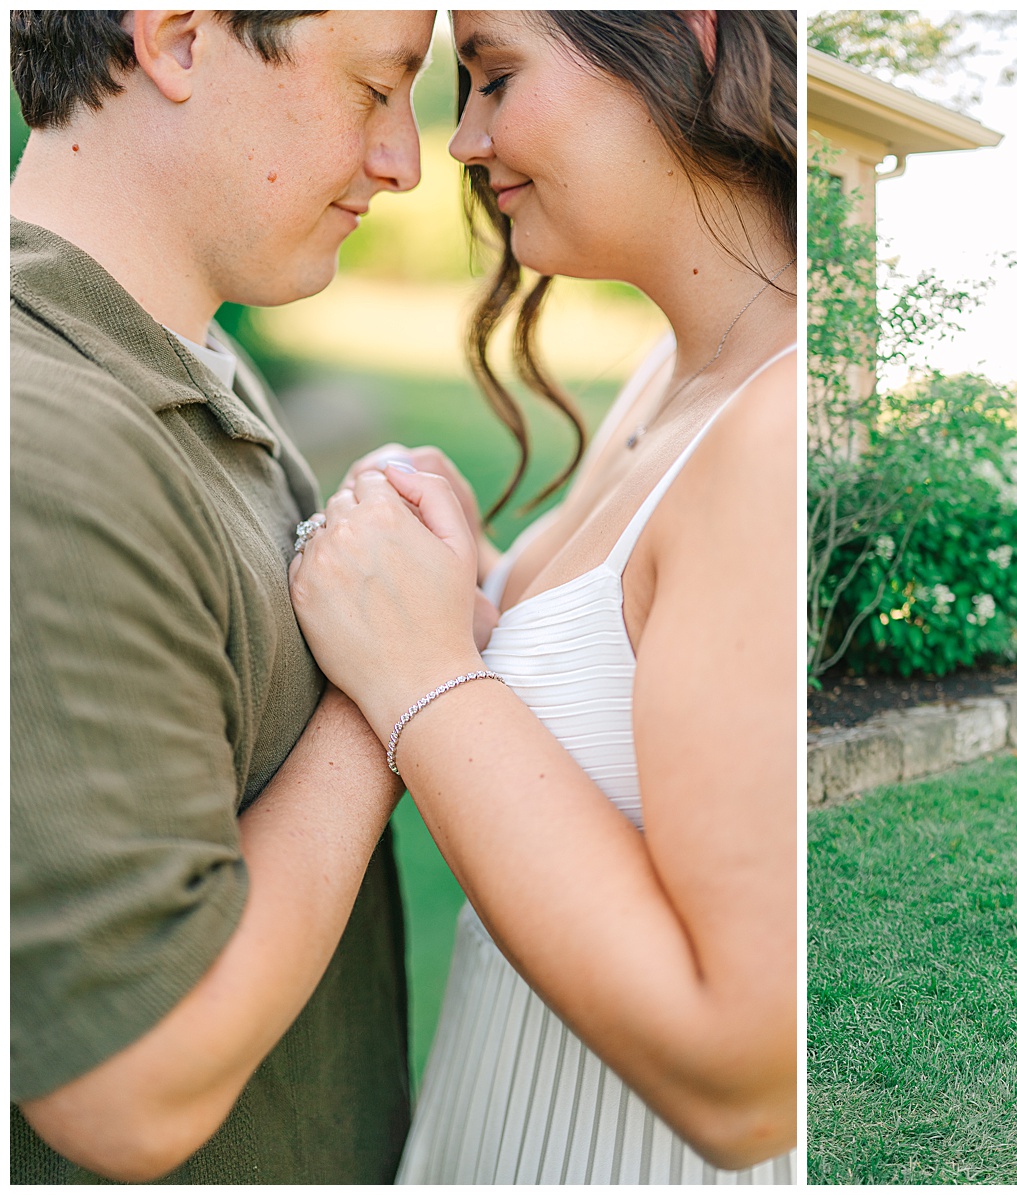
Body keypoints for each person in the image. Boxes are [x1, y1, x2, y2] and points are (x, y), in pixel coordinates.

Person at [287, 10, 798, 1183]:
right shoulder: (681, 370)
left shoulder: (770, 432)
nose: (461, 143)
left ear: (691, 34)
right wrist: (443, 569)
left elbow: (747, 1072)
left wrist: (421, 670)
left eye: (496, 77)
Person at [9, 10, 435, 1183]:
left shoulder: (184, 349)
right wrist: (391, 690)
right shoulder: (39, 449)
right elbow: (128, 1089)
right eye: (375, 87)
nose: (404, 159)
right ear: (183, 39)